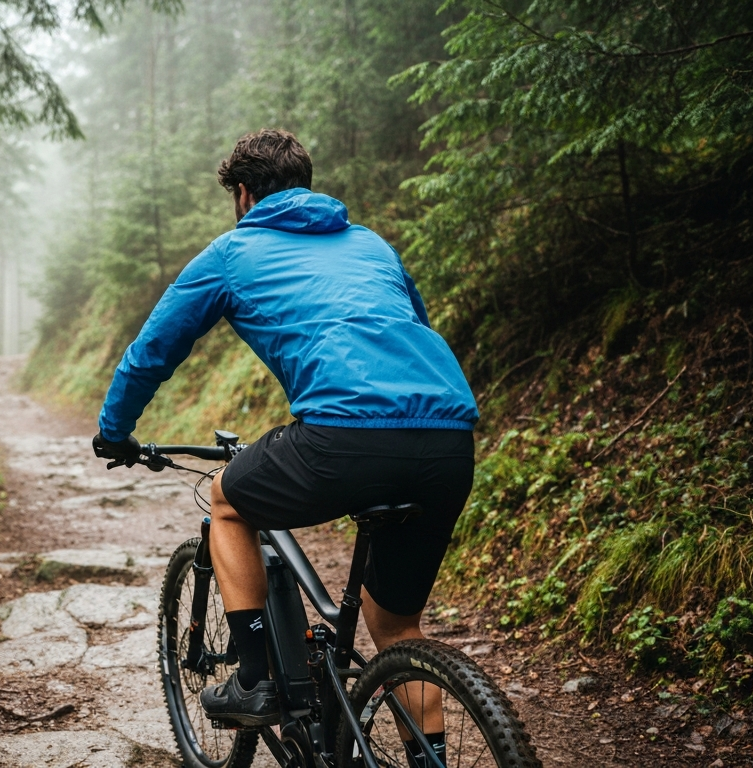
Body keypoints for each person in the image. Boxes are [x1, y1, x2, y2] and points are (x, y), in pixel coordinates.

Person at [91, 129, 478, 768]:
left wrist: (115, 429)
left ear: (243, 194)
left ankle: (256, 678)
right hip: (446, 440)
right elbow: (414, 327)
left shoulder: (232, 251)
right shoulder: (371, 243)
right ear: (304, 182)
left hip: (342, 438)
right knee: (396, 627)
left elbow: (154, 351)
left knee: (229, 501)